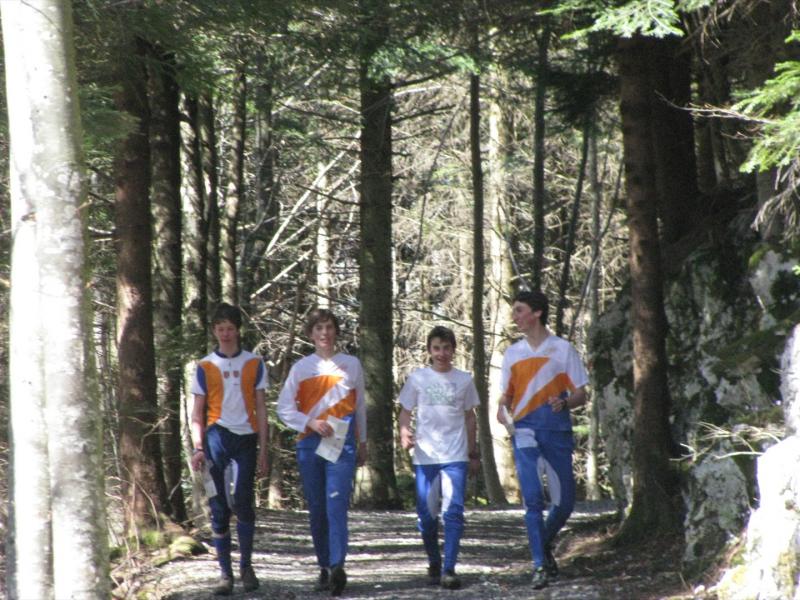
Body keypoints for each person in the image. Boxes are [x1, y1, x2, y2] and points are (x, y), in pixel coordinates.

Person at [496, 290, 588, 590]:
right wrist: (501, 411)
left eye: (519, 310)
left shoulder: (563, 349)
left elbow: (581, 394)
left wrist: (565, 402)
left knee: (564, 503)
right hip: (524, 432)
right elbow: (505, 397)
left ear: (537, 313)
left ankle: (542, 544)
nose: (514, 316)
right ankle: (539, 565)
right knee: (533, 499)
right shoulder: (512, 353)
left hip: (556, 432)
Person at [277, 308, 367, 597]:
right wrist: (310, 422)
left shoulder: (351, 365)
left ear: (336, 331)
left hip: (342, 443)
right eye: (319, 328)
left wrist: (362, 442)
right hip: (309, 443)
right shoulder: (301, 368)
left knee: (336, 503)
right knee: (317, 508)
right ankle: (324, 566)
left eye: (329, 327)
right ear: (311, 334)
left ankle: (338, 566)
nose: (325, 333)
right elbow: (284, 409)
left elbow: (360, 406)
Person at [190, 303, 269, 596]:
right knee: (219, 508)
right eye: (220, 328)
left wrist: (264, 450)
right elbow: (197, 412)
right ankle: (225, 574)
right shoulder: (205, 365)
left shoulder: (254, 363)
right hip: (216, 439)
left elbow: (261, 407)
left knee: (244, 502)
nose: (225, 334)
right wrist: (198, 447)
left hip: (246, 438)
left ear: (238, 330)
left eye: (230, 328)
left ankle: (246, 566)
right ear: (214, 331)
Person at [398, 325, 480, 590]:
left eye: (446, 348)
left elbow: (470, 417)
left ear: (454, 350)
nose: (442, 353)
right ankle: (434, 561)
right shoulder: (418, 379)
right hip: (426, 457)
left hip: (455, 455)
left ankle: (449, 569)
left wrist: (473, 452)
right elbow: (405, 411)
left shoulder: (464, 380)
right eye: (436, 348)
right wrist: (404, 432)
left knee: (453, 512)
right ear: (429, 351)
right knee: (427, 516)